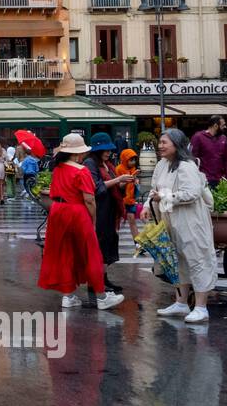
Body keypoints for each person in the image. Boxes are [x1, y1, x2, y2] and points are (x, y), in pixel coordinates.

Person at [38, 133, 124, 310]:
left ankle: (68, 296)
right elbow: (89, 200)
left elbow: (53, 193)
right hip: (76, 212)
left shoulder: (58, 169)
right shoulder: (81, 170)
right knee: (92, 253)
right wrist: (92, 221)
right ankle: (101, 296)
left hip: (58, 211)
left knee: (64, 253)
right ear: (78, 153)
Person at [143, 128, 216, 323]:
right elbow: (154, 190)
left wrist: (165, 197)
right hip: (170, 219)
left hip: (190, 220)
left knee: (197, 259)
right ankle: (181, 302)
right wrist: (146, 206)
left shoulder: (186, 166)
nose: (160, 146)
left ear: (177, 144)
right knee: (177, 262)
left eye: (164, 142)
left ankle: (201, 307)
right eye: (160, 142)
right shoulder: (161, 165)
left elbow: (191, 192)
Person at [83, 132, 136, 299]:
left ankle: (103, 279)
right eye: (104, 150)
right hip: (100, 210)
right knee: (100, 246)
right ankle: (95, 283)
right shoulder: (90, 163)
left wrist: (124, 182)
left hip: (110, 209)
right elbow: (96, 188)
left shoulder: (108, 164)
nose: (108, 152)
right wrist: (118, 179)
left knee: (107, 245)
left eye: (109, 149)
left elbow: (113, 187)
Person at [189, 115, 227, 186]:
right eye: (223, 125)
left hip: (221, 179)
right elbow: (191, 158)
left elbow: (226, 159)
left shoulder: (223, 138)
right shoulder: (198, 137)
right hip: (204, 179)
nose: (225, 127)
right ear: (215, 126)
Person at [115, 147, 142, 239]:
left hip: (130, 199)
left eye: (134, 160)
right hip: (120, 200)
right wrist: (130, 178)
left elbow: (133, 181)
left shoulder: (133, 168)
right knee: (116, 221)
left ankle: (138, 243)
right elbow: (118, 185)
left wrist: (136, 180)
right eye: (131, 160)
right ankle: (113, 240)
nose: (133, 162)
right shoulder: (119, 169)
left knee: (132, 220)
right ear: (125, 159)